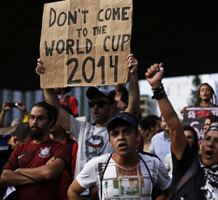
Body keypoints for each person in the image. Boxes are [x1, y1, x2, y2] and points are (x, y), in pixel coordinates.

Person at [36, 54, 140, 195]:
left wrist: (133, 76)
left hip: (109, 194)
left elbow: (132, 108)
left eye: (100, 104)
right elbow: (55, 108)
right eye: (92, 104)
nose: (95, 107)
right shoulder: (82, 128)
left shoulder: (117, 132)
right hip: (80, 194)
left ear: (111, 107)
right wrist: (46, 78)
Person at [145, 62, 218, 199]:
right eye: (207, 138)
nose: (210, 143)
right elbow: (174, 127)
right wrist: (157, 87)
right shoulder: (188, 165)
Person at [67, 112, 171, 200]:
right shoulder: (98, 164)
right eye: (115, 134)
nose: (121, 137)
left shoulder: (153, 163)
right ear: (110, 141)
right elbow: (72, 191)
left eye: (127, 132)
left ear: (138, 136)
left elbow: (170, 191)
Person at [0, 101, 70, 200]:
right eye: (32, 117)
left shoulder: (60, 148)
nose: (34, 122)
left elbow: (48, 173)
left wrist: (19, 171)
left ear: (51, 122)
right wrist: (41, 177)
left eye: (40, 118)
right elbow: (5, 177)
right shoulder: (20, 148)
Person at [49, 122, 77, 200]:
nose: (52, 121)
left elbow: (75, 176)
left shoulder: (73, 146)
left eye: (56, 118)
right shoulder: (41, 145)